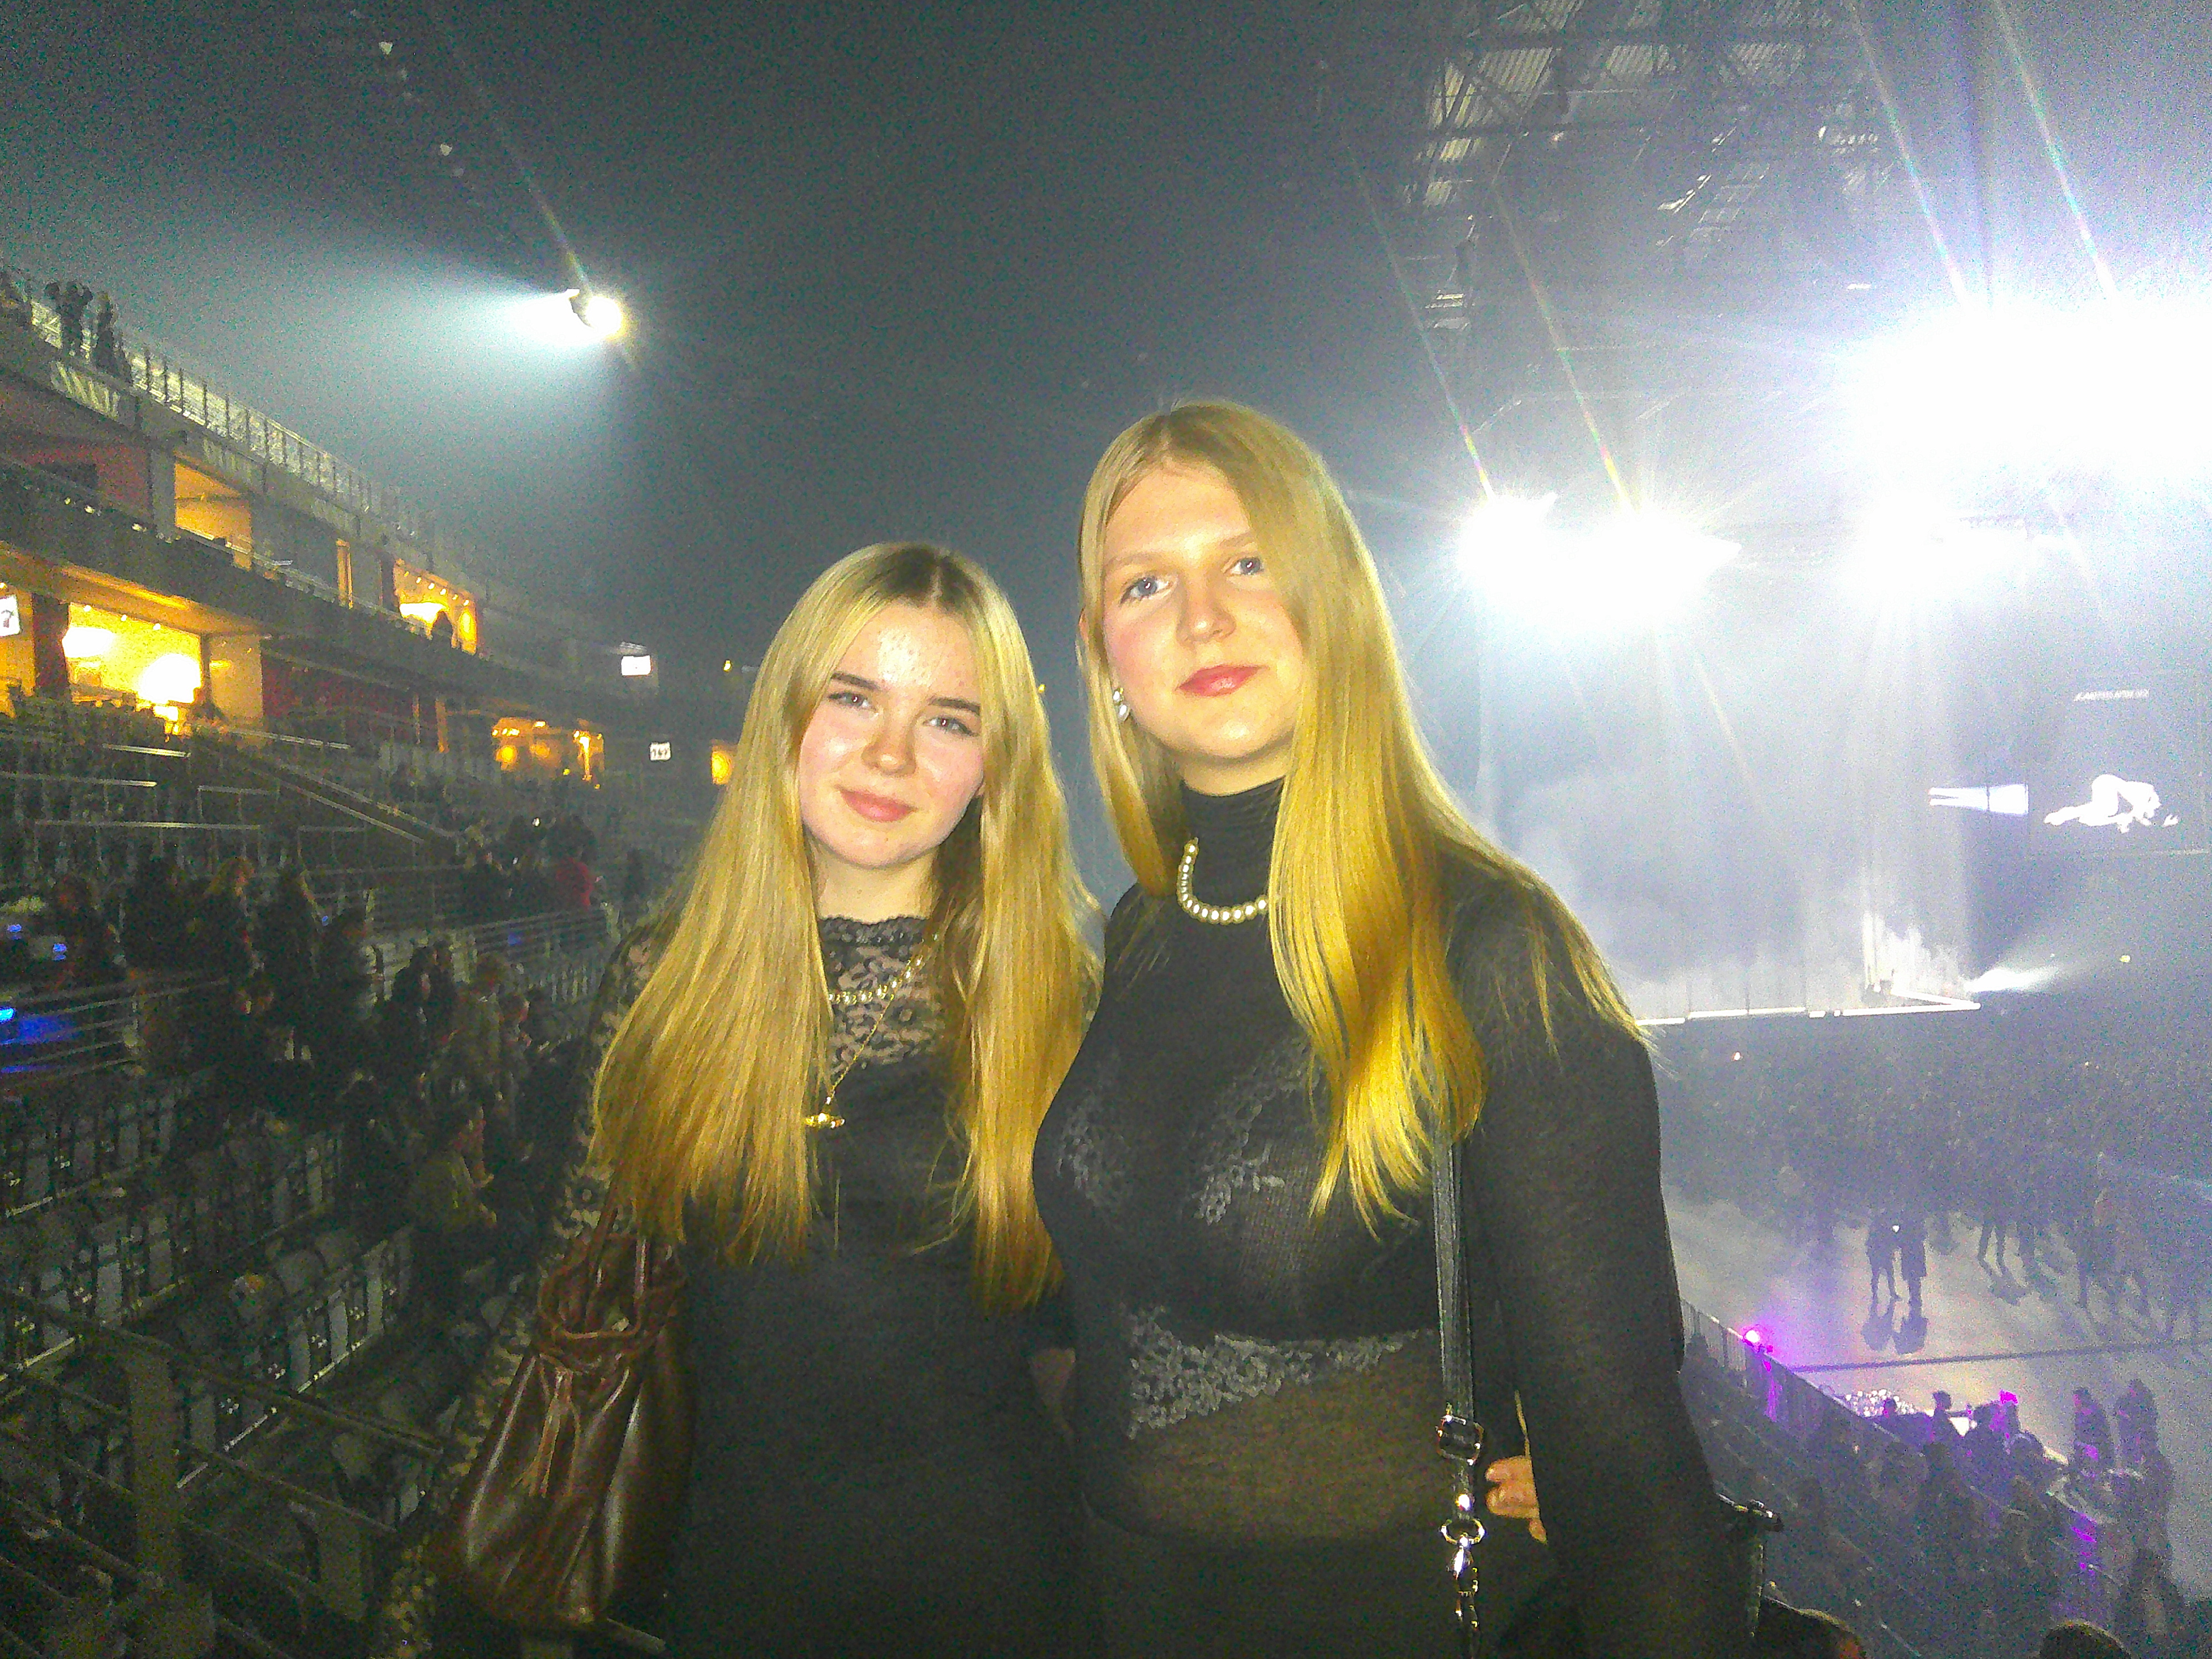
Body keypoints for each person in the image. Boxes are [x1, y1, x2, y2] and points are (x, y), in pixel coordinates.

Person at [1033, 404, 1745, 1657]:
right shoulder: (1140, 930)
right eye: (1146, 584)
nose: (1202, 618)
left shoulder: (1489, 951)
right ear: (1103, 657)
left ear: (1339, 604)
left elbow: (1630, 1477)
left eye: (1248, 561)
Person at [373, 544, 1098, 1658]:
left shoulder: (1060, 998)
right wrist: (430, 1577)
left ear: (994, 762)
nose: (891, 753)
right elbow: (570, 1289)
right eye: (853, 698)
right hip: (740, 1590)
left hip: (1006, 1592)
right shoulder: (663, 981)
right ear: (784, 715)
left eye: (948, 719)